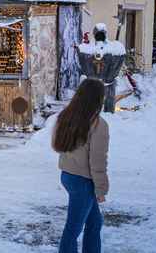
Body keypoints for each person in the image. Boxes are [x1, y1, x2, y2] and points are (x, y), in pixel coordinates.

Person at [52, 78, 109, 253]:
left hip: (67, 176)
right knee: (73, 229)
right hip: (83, 181)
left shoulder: (66, 116)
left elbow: (56, 145)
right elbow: (98, 160)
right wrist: (101, 189)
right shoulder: (98, 124)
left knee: (94, 223)